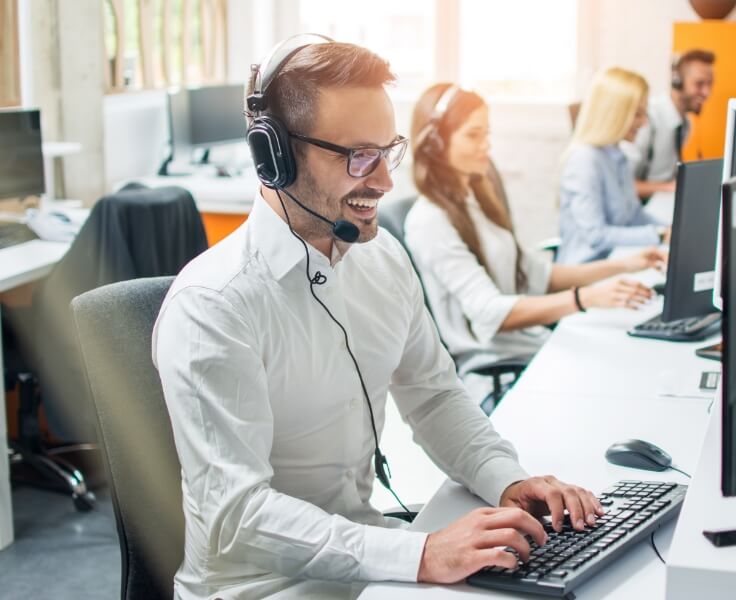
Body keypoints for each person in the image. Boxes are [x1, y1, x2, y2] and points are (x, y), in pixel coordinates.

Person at [153, 35, 610, 600]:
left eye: (386, 151)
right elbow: (237, 514)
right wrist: (421, 553)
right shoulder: (213, 306)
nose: (387, 182)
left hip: (369, 561)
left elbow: (435, 394)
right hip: (263, 588)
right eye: (357, 157)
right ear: (274, 155)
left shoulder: (381, 258)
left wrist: (505, 479)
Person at [405, 83, 665, 396]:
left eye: (487, 133)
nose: (486, 145)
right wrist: (586, 298)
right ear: (435, 144)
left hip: (529, 346)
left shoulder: (473, 199)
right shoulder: (430, 220)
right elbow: (490, 313)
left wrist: (627, 264)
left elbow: (537, 274)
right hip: (497, 369)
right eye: (474, 135)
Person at [557, 67, 670, 265]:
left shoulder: (618, 155)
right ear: (614, 114)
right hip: (587, 271)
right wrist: (658, 235)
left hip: (617, 259)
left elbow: (634, 215)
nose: (644, 123)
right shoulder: (585, 160)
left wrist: (672, 229)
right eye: (637, 114)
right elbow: (596, 236)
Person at [623, 49, 715, 199]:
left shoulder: (685, 124)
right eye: (699, 84)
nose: (707, 92)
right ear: (677, 82)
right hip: (642, 206)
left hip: (664, 199)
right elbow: (623, 185)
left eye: (710, 84)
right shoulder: (646, 121)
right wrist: (669, 188)